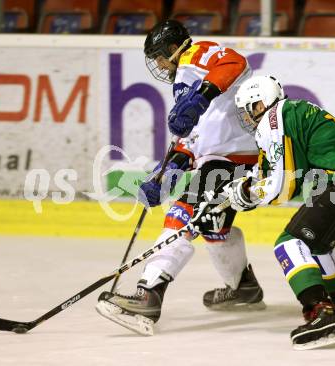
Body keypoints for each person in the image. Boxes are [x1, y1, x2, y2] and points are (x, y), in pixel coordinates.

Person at [95, 19, 266, 335]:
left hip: (235, 160)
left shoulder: (196, 55)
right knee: (214, 227)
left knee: (182, 214)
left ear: (174, 49)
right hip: (222, 160)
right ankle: (243, 287)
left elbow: (235, 62)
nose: (159, 64)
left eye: (160, 56)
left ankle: (149, 294)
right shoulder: (189, 79)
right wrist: (166, 174)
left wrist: (201, 94)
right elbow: (191, 139)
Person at [194, 75, 335, 350]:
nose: (246, 118)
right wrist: (226, 198)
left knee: (289, 244)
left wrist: (245, 196)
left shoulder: (275, 118)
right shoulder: (288, 116)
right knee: (317, 247)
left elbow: (281, 186)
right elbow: (275, 177)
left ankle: (320, 311)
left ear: (260, 104)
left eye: (248, 109)